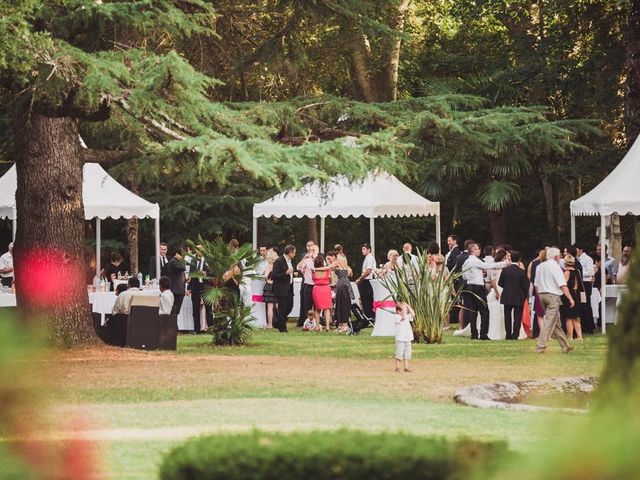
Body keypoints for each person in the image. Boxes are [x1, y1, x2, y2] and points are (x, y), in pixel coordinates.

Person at [461, 242, 510, 340]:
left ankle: (474, 334)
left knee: (473, 311)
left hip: (470, 286)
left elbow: (464, 275)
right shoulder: (474, 260)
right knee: (484, 311)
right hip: (477, 287)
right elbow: (487, 265)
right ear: (473, 251)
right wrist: (504, 264)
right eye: (477, 249)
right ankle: (483, 334)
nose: (479, 250)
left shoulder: (466, 262)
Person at [534, 247, 576, 354]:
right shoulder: (555, 267)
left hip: (542, 294)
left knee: (556, 323)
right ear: (556, 257)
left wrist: (539, 295)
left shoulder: (540, 266)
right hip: (552, 296)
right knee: (549, 322)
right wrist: (570, 298)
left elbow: (536, 284)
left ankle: (565, 346)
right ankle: (541, 346)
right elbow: (562, 284)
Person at [498, 251, 530, 340]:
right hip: (518, 296)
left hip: (507, 296)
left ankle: (508, 334)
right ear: (519, 259)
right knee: (517, 317)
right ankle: (515, 334)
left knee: (507, 316)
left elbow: (500, 283)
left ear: (510, 258)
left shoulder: (505, 270)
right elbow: (526, 285)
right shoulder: (522, 272)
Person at [270, 245, 296, 333]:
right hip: (281, 289)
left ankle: (277, 322)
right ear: (290, 253)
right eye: (294, 253)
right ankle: (282, 328)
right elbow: (273, 275)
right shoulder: (279, 261)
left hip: (289, 288)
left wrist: (292, 274)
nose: (295, 254)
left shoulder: (290, 261)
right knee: (282, 308)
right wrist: (285, 273)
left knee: (290, 306)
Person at [188, 245, 212, 333]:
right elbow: (190, 274)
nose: (198, 251)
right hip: (195, 286)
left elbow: (213, 272)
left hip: (206, 286)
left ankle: (211, 328)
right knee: (195, 308)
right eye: (197, 249)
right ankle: (197, 329)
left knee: (208, 308)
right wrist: (189, 288)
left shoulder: (209, 260)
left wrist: (206, 273)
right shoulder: (193, 260)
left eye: (200, 249)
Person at [560, 255, 584, 341]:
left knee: (569, 317)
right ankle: (579, 336)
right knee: (576, 317)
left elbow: (564, 285)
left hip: (569, 294)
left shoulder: (567, 272)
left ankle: (570, 336)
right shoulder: (577, 271)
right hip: (577, 294)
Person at [574, 243, 595, 334]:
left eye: (576, 249)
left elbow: (590, 271)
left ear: (581, 249)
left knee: (586, 305)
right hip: (580, 283)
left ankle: (589, 327)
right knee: (581, 305)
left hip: (586, 283)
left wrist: (579, 274)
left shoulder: (587, 259)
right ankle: (583, 326)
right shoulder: (578, 259)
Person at [333, 244, 355, 331]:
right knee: (343, 303)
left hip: (341, 283)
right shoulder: (343, 257)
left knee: (341, 304)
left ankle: (343, 324)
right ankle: (342, 324)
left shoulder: (338, 258)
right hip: (345, 282)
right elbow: (348, 270)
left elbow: (332, 267)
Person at [528, 247, 548, 338]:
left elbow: (532, 277)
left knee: (539, 312)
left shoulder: (534, 263)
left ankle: (539, 332)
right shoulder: (548, 265)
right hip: (545, 289)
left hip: (538, 289)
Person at [297, 243, 318, 327]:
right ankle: (307, 323)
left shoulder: (320, 260)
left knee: (317, 306)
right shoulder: (306, 260)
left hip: (317, 285)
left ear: (317, 251)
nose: (312, 252)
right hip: (308, 285)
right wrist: (304, 258)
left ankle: (317, 322)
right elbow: (298, 267)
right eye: (310, 250)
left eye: (314, 250)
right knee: (307, 306)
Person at [312, 254, 332, 331]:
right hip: (326, 289)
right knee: (327, 309)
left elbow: (313, 279)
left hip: (317, 289)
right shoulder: (327, 270)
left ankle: (317, 326)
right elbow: (330, 280)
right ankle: (327, 326)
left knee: (317, 309)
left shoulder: (313, 271)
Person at [356, 244, 376, 320]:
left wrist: (360, 278)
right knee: (364, 299)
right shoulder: (367, 258)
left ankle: (369, 316)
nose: (362, 251)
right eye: (362, 249)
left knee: (367, 299)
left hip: (368, 281)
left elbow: (368, 270)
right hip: (365, 280)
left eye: (364, 249)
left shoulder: (370, 258)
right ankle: (367, 316)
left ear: (369, 250)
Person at [394, 302, 414, 373]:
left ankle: (406, 367)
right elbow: (404, 317)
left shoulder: (406, 316)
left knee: (407, 354)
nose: (405, 311)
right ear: (398, 311)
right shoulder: (396, 317)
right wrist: (404, 309)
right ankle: (397, 368)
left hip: (408, 338)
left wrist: (407, 306)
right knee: (399, 354)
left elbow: (413, 314)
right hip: (400, 339)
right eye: (403, 310)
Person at [262, 249, 279, 329]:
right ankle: (281, 321)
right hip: (276, 286)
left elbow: (265, 276)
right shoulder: (277, 265)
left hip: (269, 287)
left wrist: (267, 281)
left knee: (270, 306)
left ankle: (270, 324)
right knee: (278, 305)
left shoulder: (269, 265)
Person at [167, 245, 186, 315]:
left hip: (179, 289)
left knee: (176, 310)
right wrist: (182, 259)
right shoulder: (174, 261)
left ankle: (173, 324)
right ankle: (172, 324)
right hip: (176, 290)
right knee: (175, 310)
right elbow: (183, 268)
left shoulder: (175, 262)